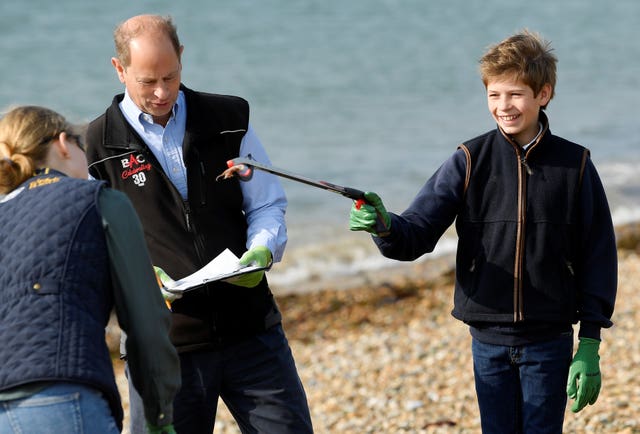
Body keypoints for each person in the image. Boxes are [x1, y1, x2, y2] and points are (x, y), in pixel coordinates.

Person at [349, 30, 617, 433]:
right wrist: (384, 226)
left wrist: (591, 342)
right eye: (493, 95)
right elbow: (418, 232)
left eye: (515, 95)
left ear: (543, 94)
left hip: (550, 339)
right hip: (486, 340)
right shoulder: (469, 160)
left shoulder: (575, 165)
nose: (503, 106)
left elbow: (598, 255)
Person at [85, 14, 313, 434]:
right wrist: (133, 278)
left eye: (170, 77)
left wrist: (262, 250)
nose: (160, 91)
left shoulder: (229, 117)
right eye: (146, 80)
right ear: (119, 70)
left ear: (182, 58)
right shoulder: (95, 147)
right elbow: (92, 245)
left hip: (252, 332)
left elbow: (266, 205)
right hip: (161, 348)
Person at [0, 105, 181, 434]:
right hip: (60, 399)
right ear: (64, 144)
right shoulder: (96, 199)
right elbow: (146, 323)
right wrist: (158, 416)